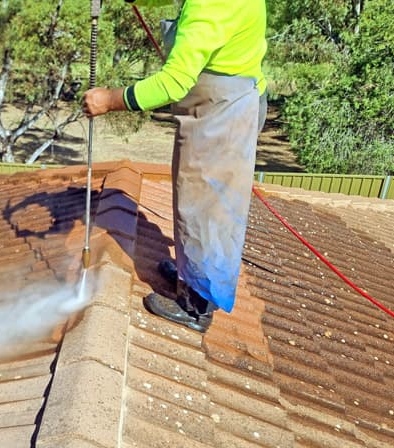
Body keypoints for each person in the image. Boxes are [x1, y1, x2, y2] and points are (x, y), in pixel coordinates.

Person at [83, 0, 268, 333]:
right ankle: (190, 274)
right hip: (214, 106)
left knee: (209, 209)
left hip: (225, 115)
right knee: (191, 198)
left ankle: (197, 305)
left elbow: (173, 83)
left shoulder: (210, 6)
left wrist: (109, 100)